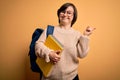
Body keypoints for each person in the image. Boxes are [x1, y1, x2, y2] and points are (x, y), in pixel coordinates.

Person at [35, 3, 96, 80]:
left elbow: (82, 54)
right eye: (63, 11)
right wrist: (49, 53)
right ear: (59, 13)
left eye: (69, 13)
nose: (65, 14)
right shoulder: (50, 30)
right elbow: (38, 45)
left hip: (72, 77)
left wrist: (85, 36)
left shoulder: (77, 34)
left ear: (73, 16)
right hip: (49, 78)